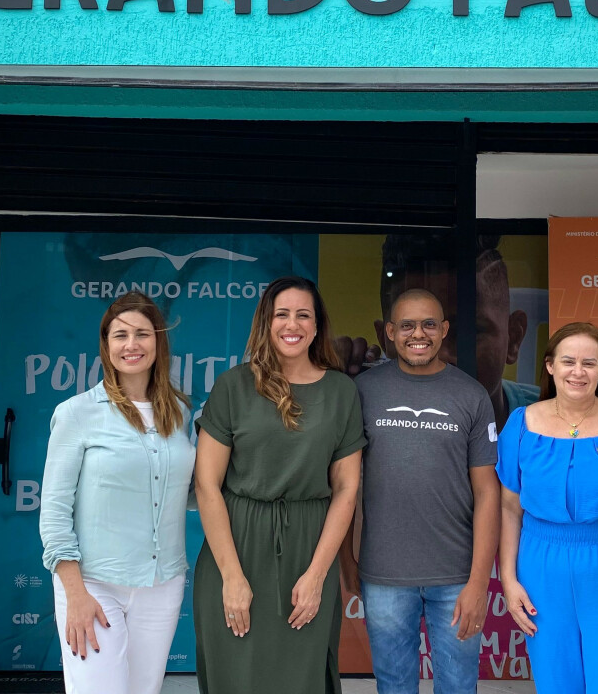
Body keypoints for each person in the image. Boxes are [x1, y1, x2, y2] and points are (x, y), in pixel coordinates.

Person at [192, 276, 366, 694]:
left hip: (310, 548)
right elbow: (206, 484)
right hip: (236, 546)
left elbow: (346, 489)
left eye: (303, 315)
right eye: (281, 314)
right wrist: (232, 578)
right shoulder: (234, 385)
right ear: (265, 323)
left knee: (304, 679)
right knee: (235, 678)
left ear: (318, 325)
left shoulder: (341, 391)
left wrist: (318, 575)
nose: (292, 324)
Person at [340, 288, 500, 694]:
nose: (419, 334)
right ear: (390, 332)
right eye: (407, 325)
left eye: (429, 324)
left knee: (459, 685)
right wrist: (348, 560)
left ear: (444, 330)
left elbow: (487, 493)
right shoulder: (363, 393)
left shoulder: (471, 395)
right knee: (394, 684)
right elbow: (343, 486)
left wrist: (479, 581)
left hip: (456, 576)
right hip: (384, 572)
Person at [40, 292, 195, 694]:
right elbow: (55, 512)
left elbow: (187, 494)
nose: (132, 345)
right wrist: (75, 593)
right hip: (93, 585)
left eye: (143, 334)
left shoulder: (180, 414)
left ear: (158, 343)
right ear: (106, 346)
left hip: (161, 585)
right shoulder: (76, 413)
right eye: (120, 335)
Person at [496, 321, 598, 694]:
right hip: (541, 566)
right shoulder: (520, 424)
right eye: (568, 361)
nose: (578, 371)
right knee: (557, 682)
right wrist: (509, 579)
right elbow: (509, 508)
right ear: (550, 366)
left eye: (590, 363)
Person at [337, 233, 535, 430]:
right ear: (386, 339)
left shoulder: (559, 419)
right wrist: (323, 393)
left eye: (469, 332)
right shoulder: (357, 408)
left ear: (514, 338)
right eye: (409, 329)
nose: (442, 356)